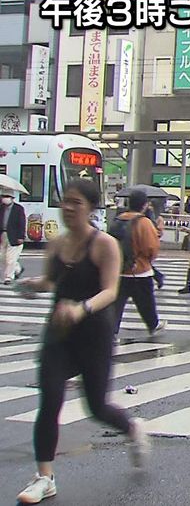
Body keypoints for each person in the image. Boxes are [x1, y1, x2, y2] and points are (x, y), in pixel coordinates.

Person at [13, 179, 151, 504]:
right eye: (66, 202)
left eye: (77, 203)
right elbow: (51, 281)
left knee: (97, 407)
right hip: (59, 332)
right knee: (50, 399)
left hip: (93, 332)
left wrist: (81, 309)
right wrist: (32, 285)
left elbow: (110, 291)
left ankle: (133, 430)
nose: (69, 208)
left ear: (90, 208)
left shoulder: (104, 244)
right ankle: (44, 477)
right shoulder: (57, 243)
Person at [110, 188, 165, 336]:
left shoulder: (118, 219)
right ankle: (153, 324)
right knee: (146, 301)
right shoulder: (144, 222)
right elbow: (151, 247)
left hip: (118, 270)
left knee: (116, 303)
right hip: (139, 270)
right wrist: (149, 260)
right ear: (144, 205)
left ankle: (111, 331)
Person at [1, 191, 27, 285]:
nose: (4, 198)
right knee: (3, 257)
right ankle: (18, 269)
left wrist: (21, 236)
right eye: (3, 196)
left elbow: (22, 223)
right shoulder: (1, 208)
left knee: (10, 258)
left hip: (14, 236)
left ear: (12, 198)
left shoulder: (18, 209)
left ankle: (8, 277)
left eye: (7, 196)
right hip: (3, 235)